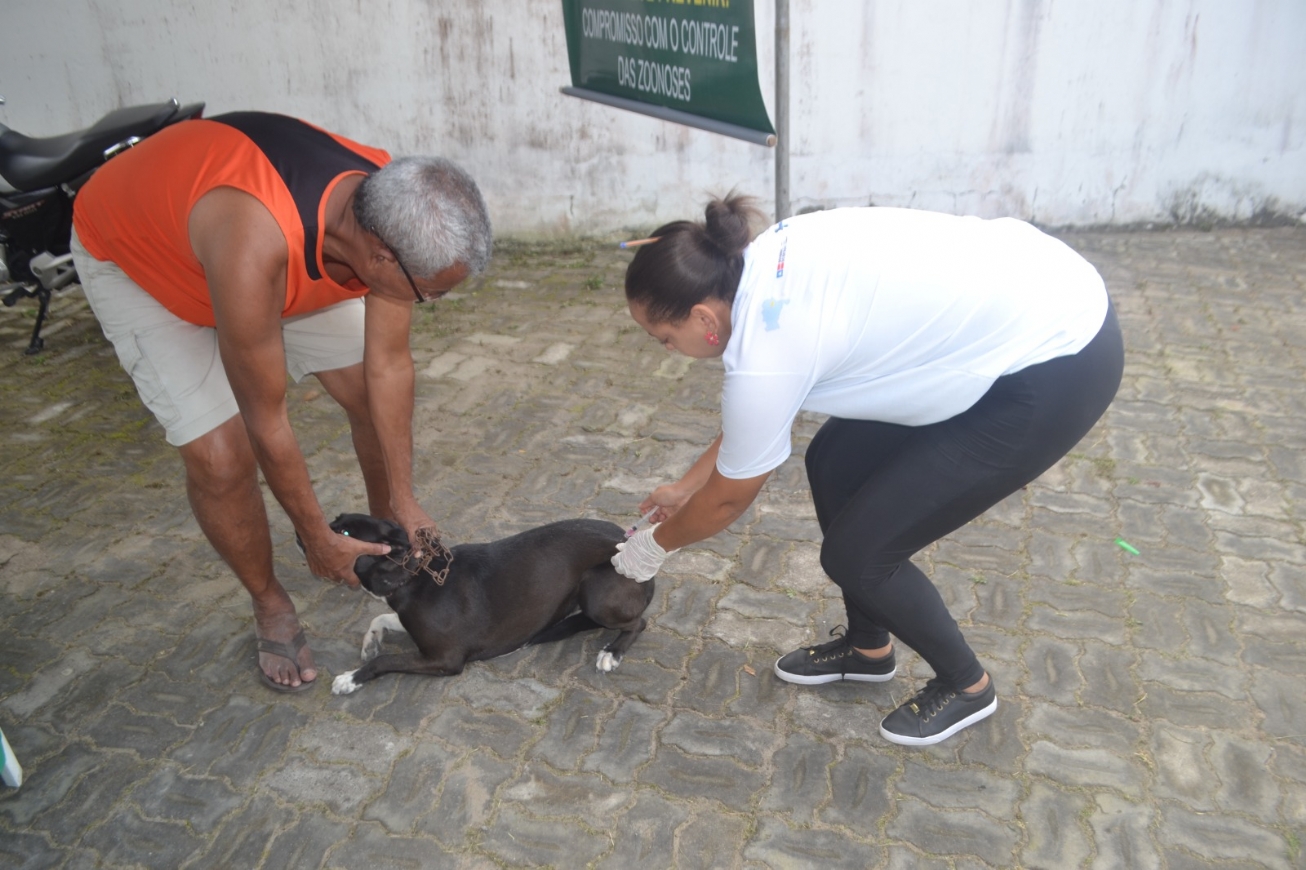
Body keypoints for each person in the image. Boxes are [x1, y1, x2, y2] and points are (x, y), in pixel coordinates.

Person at [611, 195, 1123, 745]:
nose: (667, 349)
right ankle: (868, 647)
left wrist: (653, 546)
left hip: (1057, 363)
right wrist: (687, 486)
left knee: (859, 555)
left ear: (705, 318)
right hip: (1020, 302)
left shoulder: (769, 343)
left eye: (664, 337)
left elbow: (729, 498)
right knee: (834, 460)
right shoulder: (753, 266)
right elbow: (758, 415)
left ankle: (967, 685)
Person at [70, 111, 491, 692]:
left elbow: (388, 367)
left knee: (368, 397)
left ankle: (386, 543)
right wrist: (315, 535)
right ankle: (269, 602)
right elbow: (266, 417)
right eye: (434, 293)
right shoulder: (255, 242)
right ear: (382, 259)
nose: (434, 303)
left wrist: (404, 497)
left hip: (264, 250)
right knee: (222, 459)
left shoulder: (388, 203)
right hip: (145, 263)